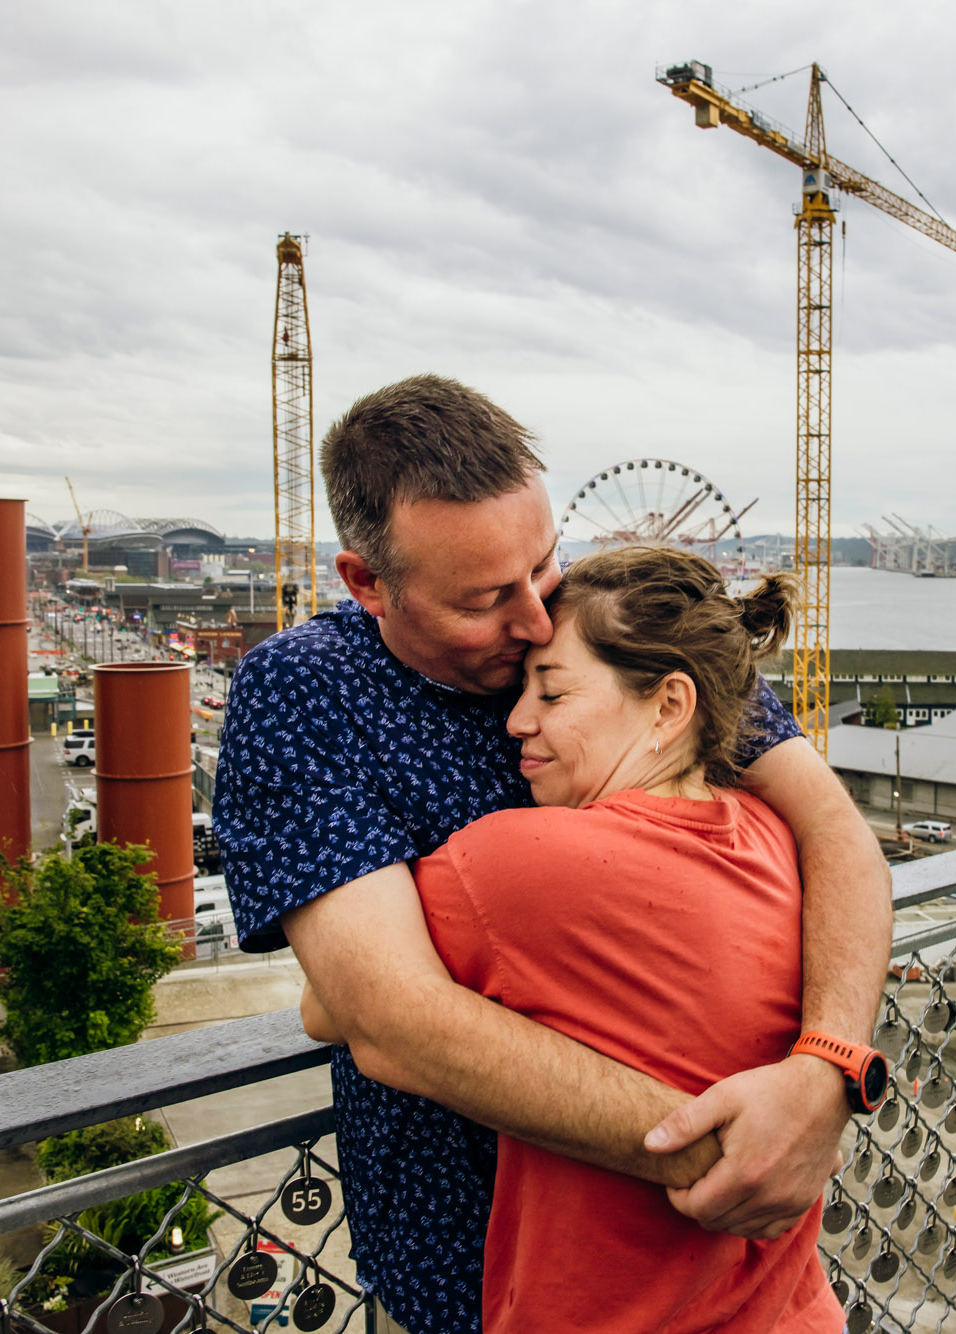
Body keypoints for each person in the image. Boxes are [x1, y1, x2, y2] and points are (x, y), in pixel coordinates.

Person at [213, 375, 892, 1334]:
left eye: (543, 564)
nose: (536, 619)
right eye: (487, 599)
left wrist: (826, 1072)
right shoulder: (309, 692)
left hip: (731, 1266)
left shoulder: (604, 623)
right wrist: (730, 1153)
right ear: (368, 582)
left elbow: (835, 832)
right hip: (477, 1272)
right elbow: (386, 1017)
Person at [306, 545, 845, 1331]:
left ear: (668, 706)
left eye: (551, 692)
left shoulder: (520, 860)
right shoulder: (772, 834)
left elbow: (337, 1007)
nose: (516, 721)